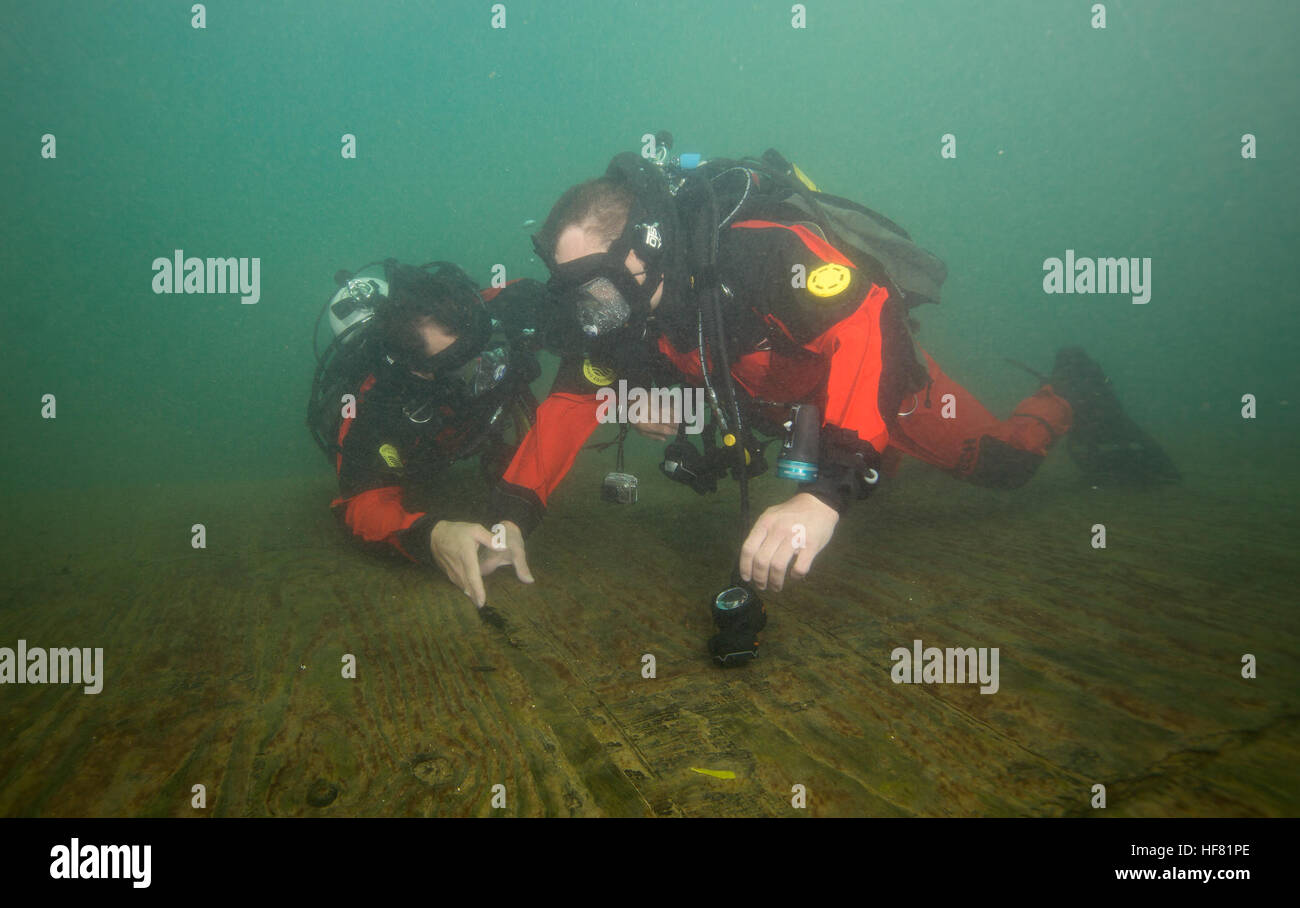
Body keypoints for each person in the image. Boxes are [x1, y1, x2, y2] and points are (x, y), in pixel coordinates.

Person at [430, 147, 1179, 614]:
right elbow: (569, 405)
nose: (589, 311)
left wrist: (827, 493)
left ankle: (1064, 391)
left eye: (595, 285)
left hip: (880, 388)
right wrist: (507, 520)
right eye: (573, 292)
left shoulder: (760, 254)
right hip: (783, 410)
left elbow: (867, 325)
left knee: (1005, 467)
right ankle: (856, 466)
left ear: (645, 249)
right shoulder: (621, 317)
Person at [308, 259, 545, 574]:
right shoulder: (377, 404)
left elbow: (547, 295)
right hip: (426, 452)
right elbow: (362, 504)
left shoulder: (487, 308)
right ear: (418, 371)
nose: (483, 361)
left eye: (476, 336)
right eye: (457, 361)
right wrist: (432, 535)